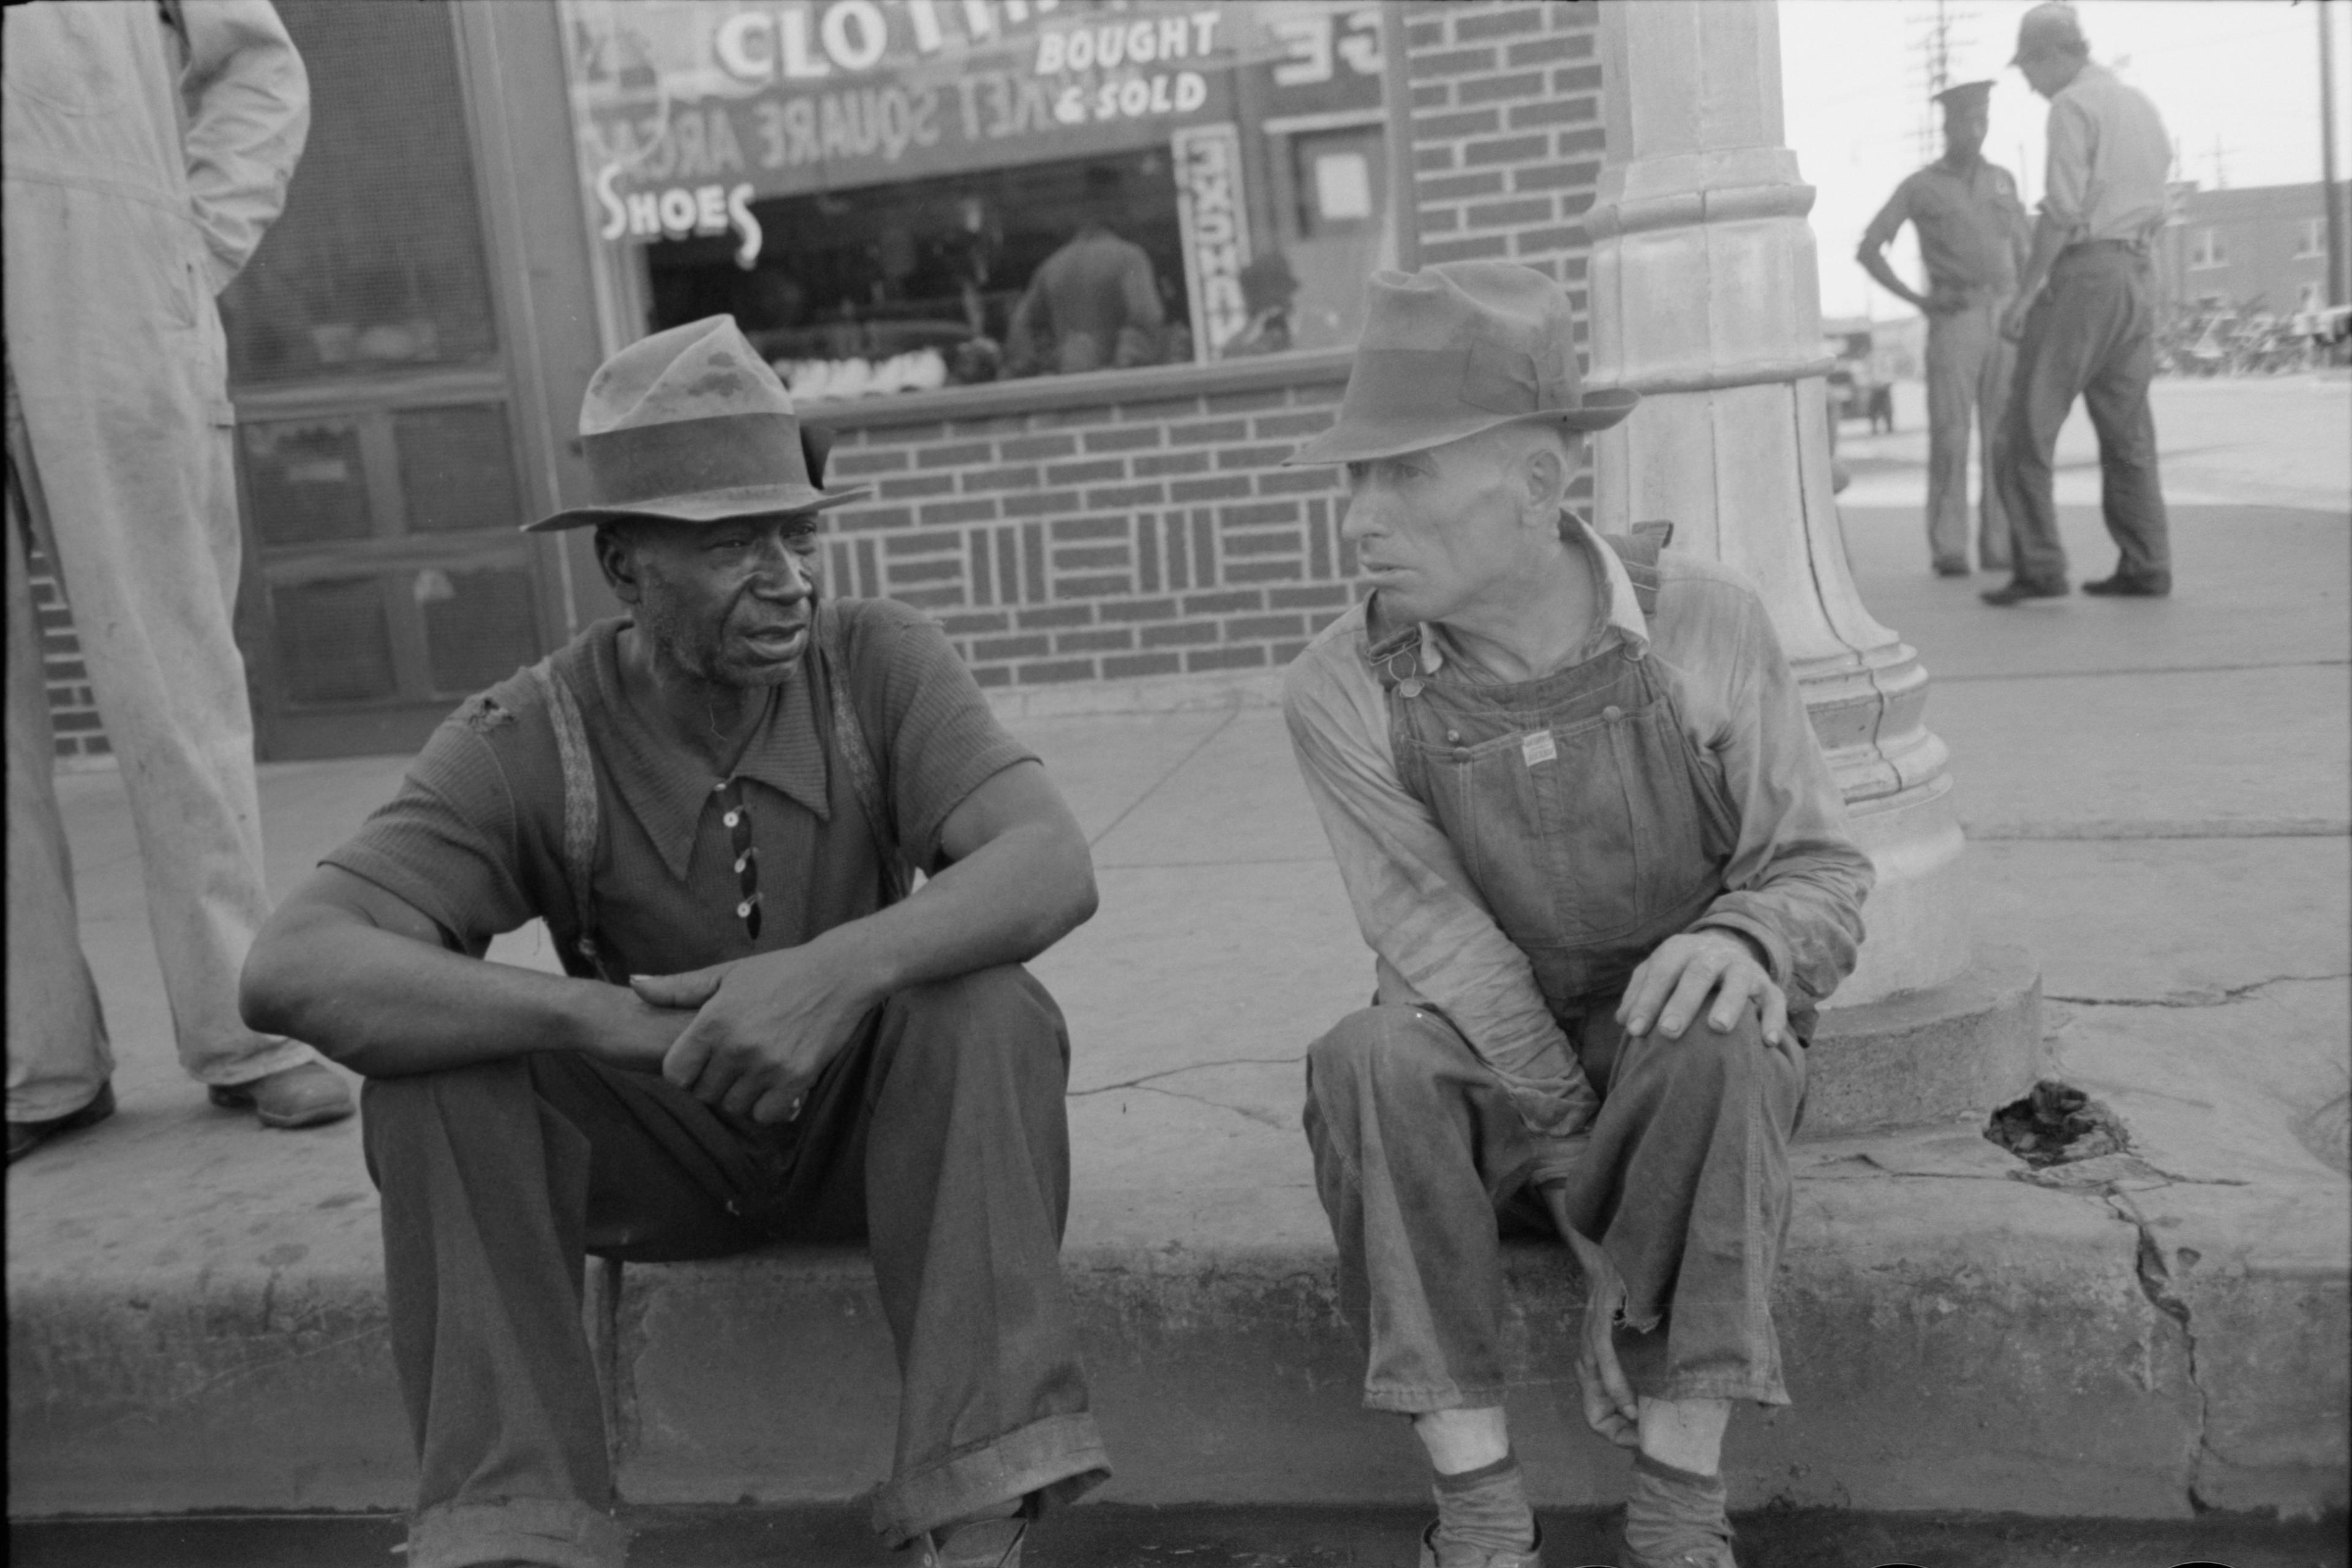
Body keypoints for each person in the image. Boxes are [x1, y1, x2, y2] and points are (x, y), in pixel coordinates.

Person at [238, 317, 1111, 1568]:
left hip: (871, 1140)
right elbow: (294, 963)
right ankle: (514, 1531)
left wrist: (830, 973)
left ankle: (975, 1517)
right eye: (730, 543)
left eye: (799, 532)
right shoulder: (527, 732)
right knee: (436, 1071)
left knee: (986, 1006)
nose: (789, 578)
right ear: (623, 566)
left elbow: (1049, 857)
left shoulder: (879, 663)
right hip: (658, 1148)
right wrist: (604, 1022)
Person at [1280, 263, 1875, 1568]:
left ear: (1541, 485)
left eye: (1409, 475)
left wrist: (1742, 936)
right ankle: (1482, 1518)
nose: (1363, 518)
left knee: (1726, 1026)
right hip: (1489, 1082)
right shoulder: (1341, 685)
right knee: (1366, 1055)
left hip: (1677, 1088)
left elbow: (1823, 874)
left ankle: (1677, 1515)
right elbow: (1439, 948)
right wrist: (1575, 1199)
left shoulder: (1704, 623)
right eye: (1355, 478)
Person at [4, 0, 349, 1164]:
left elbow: (257, 69)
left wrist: (188, 245)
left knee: (172, 678)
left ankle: (247, 1026)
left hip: (105, 287)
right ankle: (37, 1063)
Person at [1985, 2, 2175, 605]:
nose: (2029, 83)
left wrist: (2025, 294)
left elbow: (2063, 211)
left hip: (2087, 274)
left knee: (2022, 431)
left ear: (2056, 54)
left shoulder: (2072, 106)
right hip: (2137, 271)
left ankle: (2040, 564)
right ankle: (2148, 563)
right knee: (2128, 433)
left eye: (2030, 68)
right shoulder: (2138, 103)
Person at [1857, 80, 2034, 577]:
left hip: (2004, 318)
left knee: (2003, 437)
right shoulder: (1921, 186)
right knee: (1951, 437)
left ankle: (2000, 544)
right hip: (1955, 321)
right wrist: (1922, 301)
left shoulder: (2003, 181)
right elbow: (1870, 248)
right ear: (1947, 125)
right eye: (1967, 121)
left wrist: (2025, 305)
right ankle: (1950, 547)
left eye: (1983, 120)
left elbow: (2024, 250)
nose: (1976, 130)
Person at [1005, 166, 1165, 375]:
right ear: (1116, 206)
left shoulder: (1053, 265)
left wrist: (1052, 360)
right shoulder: (1130, 257)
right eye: (1124, 203)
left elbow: (1021, 326)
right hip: (1115, 383)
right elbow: (1146, 317)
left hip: (1067, 380)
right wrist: (1123, 368)